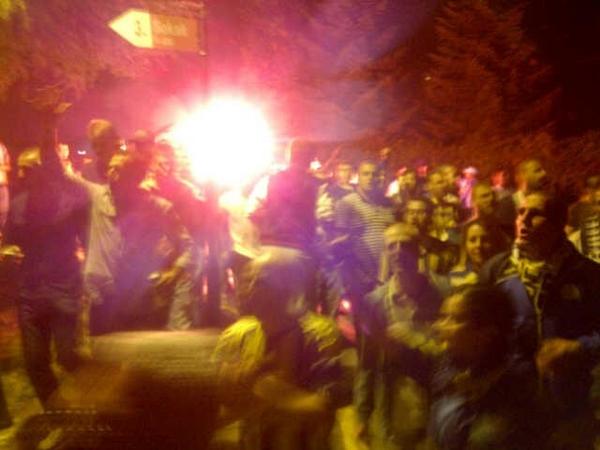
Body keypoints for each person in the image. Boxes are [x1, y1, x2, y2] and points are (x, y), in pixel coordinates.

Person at [480, 188, 600, 448]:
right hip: (514, 403)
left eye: (536, 214)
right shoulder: (496, 270)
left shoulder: (588, 275)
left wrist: (580, 347)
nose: (523, 220)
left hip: (571, 404)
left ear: (558, 225)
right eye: (521, 212)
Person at [214, 252, 352, 450]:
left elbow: (322, 407)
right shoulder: (237, 336)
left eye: (260, 281)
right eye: (247, 280)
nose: (249, 289)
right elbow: (222, 411)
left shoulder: (322, 335)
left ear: (286, 288)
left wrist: (259, 385)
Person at [3, 125, 87, 407]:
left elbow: (85, 239)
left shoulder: (70, 201)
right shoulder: (17, 205)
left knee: (68, 356)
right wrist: (9, 252)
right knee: (34, 361)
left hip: (63, 289)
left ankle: (91, 403)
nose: (20, 174)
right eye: (20, 169)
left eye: (27, 169)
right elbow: (12, 242)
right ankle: (56, 411)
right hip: (30, 293)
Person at [430, 285, 541, 450]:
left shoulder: (515, 389)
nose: (439, 326)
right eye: (442, 317)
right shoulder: (450, 367)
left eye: (455, 319)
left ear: (488, 331)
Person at [362, 222, 442, 447]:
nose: (398, 251)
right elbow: (366, 362)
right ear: (385, 253)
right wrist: (362, 413)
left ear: (418, 250)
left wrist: (417, 340)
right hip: (393, 402)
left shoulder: (441, 294)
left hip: (433, 398)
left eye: (405, 245)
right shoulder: (374, 302)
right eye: (391, 246)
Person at [334, 159, 395, 442]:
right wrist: (353, 282)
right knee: (367, 351)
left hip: (387, 285)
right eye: (367, 173)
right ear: (358, 176)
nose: (372, 178)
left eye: (376, 174)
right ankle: (362, 414)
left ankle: (383, 414)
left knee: (386, 350)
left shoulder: (389, 206)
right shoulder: (347, 204)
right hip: (361, 285)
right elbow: (341, 248)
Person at [432, 219, 506, 298]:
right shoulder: (456, 277)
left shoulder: (504, 273)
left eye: (485, 240)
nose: (478, 245)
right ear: (465, 245)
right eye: (472, 240)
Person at [0, 141, 10, 234]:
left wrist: (2, 166)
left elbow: (8, 166)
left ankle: (1, 233)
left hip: (3, 184)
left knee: (4, 210)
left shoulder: (2, 148)